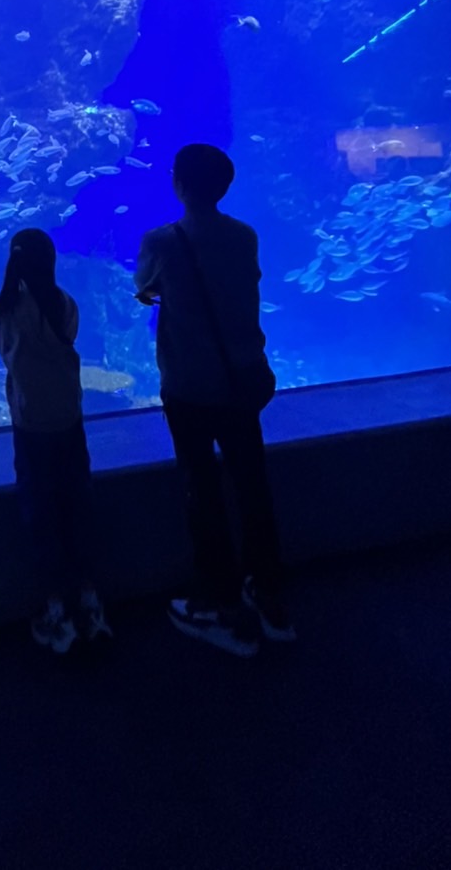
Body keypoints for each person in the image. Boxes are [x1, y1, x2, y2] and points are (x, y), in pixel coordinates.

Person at [135, 143, 294, 657]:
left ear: (178, 183)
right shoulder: (244, 236)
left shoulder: (162, 240)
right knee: (254, 485)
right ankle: (268, 597)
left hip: (190, 388)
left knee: (202, 491)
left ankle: (219, 607)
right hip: (243, 381)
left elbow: (144, 285)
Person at [0, 227, 111, 654]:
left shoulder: (8, 310)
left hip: (31, 426)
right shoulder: (65, 305)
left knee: (40, 514)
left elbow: (7, 355)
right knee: (79, 507)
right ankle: (91, 607)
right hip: (69, 420)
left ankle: (56, 614)